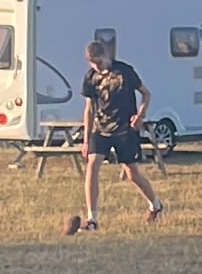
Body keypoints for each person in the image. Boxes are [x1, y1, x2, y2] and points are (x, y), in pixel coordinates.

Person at [69, 35, 164, 234]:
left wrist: (140, 115)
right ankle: (92, 219)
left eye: (100, 62)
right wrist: (86, 139)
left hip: (124, 129)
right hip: (100, 129)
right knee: (92, 166)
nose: (98, 67)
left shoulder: (125, 71)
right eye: (94, 64)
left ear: (106, 55)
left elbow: (146, 94)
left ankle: (155, 205)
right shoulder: (90, 77)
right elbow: (89, 108)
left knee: (132, 174)